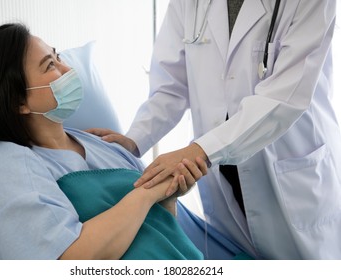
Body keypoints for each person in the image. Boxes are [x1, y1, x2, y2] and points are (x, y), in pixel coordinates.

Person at [89, 0, 341, 259]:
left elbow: (283, 99)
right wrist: (134, 141)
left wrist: (200, 150)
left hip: (290, 174)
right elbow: (171, 85)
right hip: (223, 179)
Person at [0, 23, 209, 260]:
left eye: (58, 58)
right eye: (49, 66)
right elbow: (67, 262)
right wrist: (146, 194)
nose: (67, 70)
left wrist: (167, 197)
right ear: (17, 101)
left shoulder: (105, 144)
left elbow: (157, 232)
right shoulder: (7, 170)